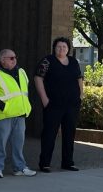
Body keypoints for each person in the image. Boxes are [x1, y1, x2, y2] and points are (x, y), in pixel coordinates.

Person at [0, 48, 35, 178]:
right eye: (11, 58)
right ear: (2, 60)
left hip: (20, 114)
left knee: (18, 143)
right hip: (4, 115)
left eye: (15, 57)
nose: (14, 60)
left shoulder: (21, 72)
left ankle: (19, 168)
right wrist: (2, 106)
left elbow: (24, 92)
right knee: (1, 143)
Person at [34, 36, 85, 172]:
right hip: (53, 105)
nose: (61, 49)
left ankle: (68, 162)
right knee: (49, 134)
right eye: (59, 47)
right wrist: (44, 99)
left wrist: (81, 95)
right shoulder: (48, 61)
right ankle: (45, 163)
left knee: (69, 134)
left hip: (72, 105)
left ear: (68, 49)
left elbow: (79, 78)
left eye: (64, 47)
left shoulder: (73, 61)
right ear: (54, 48)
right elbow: (38, 78)